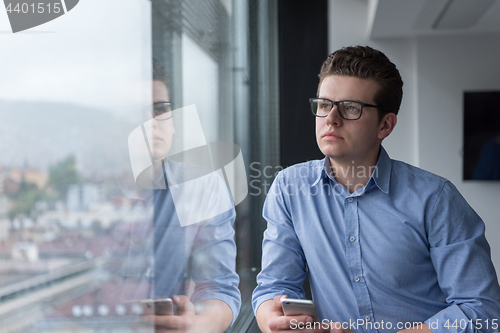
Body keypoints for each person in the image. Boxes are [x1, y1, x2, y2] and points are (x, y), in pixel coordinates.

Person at [252, 46, 500, 333]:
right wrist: (272, 318)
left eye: (350, 108)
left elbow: (481, 310)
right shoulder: (289, 188)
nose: (331, 118)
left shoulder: (436, 199)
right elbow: (274, 287)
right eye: (323, 105)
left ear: (385, 125)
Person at [123, 59, 240, 332]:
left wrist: (195, 325)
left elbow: (219, 289)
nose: (152, 121)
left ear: (173, 123)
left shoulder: (200, 187)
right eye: (138, 111)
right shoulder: (84, 194)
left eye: (161, 109)